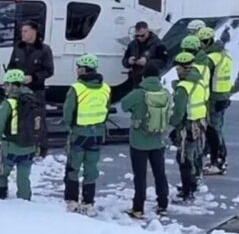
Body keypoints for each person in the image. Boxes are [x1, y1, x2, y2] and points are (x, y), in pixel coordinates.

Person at [120, 63, 171, 219]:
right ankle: (163, 204)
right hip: (158, 140)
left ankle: (138, 208)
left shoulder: (138, 93)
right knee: (160, 173)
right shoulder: (166, 93)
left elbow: (123, 105)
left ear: (143, 76)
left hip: (139, 140)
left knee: (140, 176)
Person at [63, 54, 111, 216]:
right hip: (97, 134)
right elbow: (107, 109)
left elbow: (68, 113)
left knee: (73, 167)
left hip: (79, 134)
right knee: (91, 169)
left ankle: (72, 200)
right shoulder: (105, 88)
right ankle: (88, 202)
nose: (76, 70)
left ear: (82, 69)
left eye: (78, 67)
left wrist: (70, 127)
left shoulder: (77, 88)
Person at [7, 20, 53, 157]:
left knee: (38, 119)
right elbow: (10, 66)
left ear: (34, 32)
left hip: (36, 90)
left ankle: (42, 147)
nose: (23, 34)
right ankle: (18, 143)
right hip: (18, 89)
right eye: (22, 31)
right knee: (17, 117)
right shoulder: (18, 47)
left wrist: (33, 77)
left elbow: (49, 70)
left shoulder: (44, 50)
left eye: (26, 31)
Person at [0, 69, 37, 201]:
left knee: (2, 173)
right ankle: (25, 199)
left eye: (6, 84)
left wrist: (0, 137)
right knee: (23, 177)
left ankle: (0, 197)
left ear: (13, 85)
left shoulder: (9, 102)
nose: (4, 87)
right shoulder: (33, 99)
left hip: (11, 146)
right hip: (30, 146)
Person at [170, 51, 208, 203]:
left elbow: (179, 111)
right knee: (195, 154)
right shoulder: (200, 82)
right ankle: (193, 183)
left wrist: (172, 123)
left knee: (184, 158)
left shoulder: (183, 87)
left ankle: (188, 190)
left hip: (187, 127)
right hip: (200, 123)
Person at [196, 27, 233, 175]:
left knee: (214, 130)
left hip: (213, 98)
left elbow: (202, 74)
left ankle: (219, 161)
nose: (203, 44)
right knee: (215, 128)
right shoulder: (225, 55)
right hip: (223, 96)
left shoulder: (211, 58)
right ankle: (213, 156)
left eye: (204, 41)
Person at [122, 21, 168, 87]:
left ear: (148, 31)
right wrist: (129, 61)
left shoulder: (158, 44)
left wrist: (147, 62)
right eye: (137, 36)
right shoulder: (132, 44)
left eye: (142, 35)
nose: (140, 38)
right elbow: (124, 61)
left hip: (152, 80)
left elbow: (164, 62)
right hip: (135, 79)